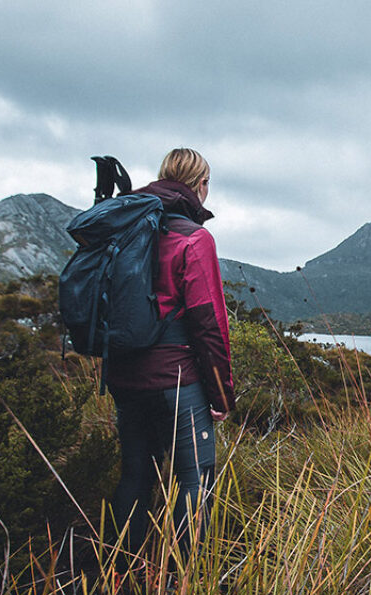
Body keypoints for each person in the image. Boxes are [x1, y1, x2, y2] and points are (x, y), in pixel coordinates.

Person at [106, 148, 235, 564]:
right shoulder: (194, 238)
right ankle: (186, 580)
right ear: (201, 186)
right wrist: (220, 395)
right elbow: (207, 323)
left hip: (125, 378)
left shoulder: (127, 230)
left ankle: (120, 576)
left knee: (135, 477)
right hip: (176, 384)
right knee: (195, 481)